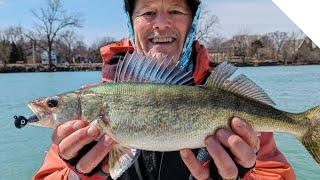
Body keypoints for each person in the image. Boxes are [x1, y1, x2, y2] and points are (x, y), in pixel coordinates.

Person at [34, 0, 296, 179]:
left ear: (193, 22)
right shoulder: (92, 103)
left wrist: (244, 175)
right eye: (148, 12)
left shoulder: (228, 97)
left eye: (175, 10)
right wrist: (79, 174)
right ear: (131, 21)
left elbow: (275, 172)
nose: (160, 22)